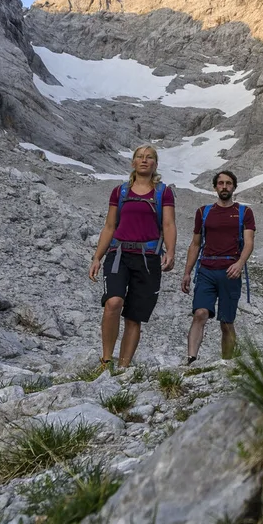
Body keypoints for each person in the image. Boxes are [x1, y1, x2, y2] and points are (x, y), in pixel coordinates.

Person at [88, 145, 175, 370]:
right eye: (140, 157)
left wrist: (170, 251)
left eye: (149, 157)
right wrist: (97, 257)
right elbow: (110, 226)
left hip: (148, 258)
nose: (144, 160)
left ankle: (123, 369)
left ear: (155, 164)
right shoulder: (120, 192)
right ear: (133, 163)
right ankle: (106, 361)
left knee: (134, 316)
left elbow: (168, 224)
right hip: (118, 254)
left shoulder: (163, 192)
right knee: (113, 302)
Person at [181, 169, 254, 363]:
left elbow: (249, 242)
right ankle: (191, 359)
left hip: (231, 271)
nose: (224, 187)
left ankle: (226, 363)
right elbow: (195, 244)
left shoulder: (245, 212)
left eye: (228, 183)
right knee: (200, 313)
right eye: (221, 183)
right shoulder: (203, 212)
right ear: (215, 187)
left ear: (234, 187)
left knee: (226, 322)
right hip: (206, 269)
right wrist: (187, 272)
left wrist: (240, 263)